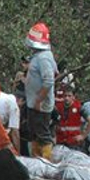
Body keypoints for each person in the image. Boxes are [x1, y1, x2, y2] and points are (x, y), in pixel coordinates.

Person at [24, 22, 58, 160]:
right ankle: (36, 159)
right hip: (34, 103)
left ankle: (45, 161)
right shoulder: (40, 56)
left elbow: (49, 80)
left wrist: (39, 99)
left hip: (40, 105)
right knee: (34, 133)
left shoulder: (44, 57)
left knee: (43, 135)